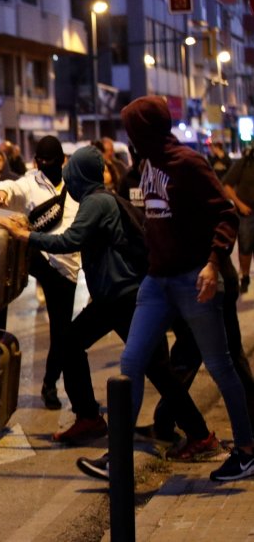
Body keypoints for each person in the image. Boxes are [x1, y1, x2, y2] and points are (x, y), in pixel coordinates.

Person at [0, 147, 215, 454]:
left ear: (81, 174)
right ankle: (89, 417)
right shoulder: (99, 198)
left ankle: (199, 435)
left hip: (121, 297)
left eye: (72, 169)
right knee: (74, 344)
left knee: (154, 368)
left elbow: (69, 240)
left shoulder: (96, 201)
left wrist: (25, 237)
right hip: (114, 296)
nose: (67, 174)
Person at [77, 96, 252, 482]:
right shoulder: (146, 164)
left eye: (131, 128)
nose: (128, 136)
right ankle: (118, 456)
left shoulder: (187, 163)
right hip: (156, 282)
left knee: (221, 366)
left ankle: (247, 450)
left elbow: (225, 213)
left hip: (193, 279)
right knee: (131, 363)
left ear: (146, 130)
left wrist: (212, 263)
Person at [0, 136, 80, 410]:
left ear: (63, 160)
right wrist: (1, 193)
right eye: (41, 161)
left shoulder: (75, 183)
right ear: (35, 161)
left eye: (51, 161)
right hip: (41, 258)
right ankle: (43, 383)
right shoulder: (31, 181)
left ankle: (51, 383)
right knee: (1, 301)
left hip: (69, 265)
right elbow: (10, 186)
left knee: (62, 331)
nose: (46, 166)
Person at [222, 148, 254, 293]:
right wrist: (240, 205)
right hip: (246, 213)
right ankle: (245, 276)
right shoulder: (244, 163)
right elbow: (227, 186)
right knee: (245, 248)